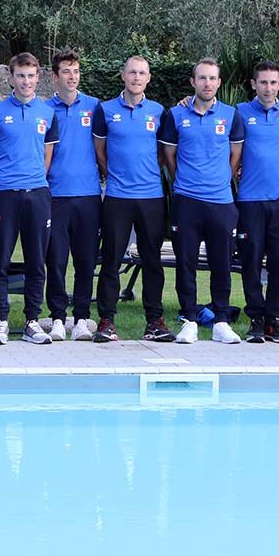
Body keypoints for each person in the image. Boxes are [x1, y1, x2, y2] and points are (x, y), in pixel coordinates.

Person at [158, 58, 245, 344]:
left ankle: (221, 320)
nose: (207, 83)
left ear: (219, 83)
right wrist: (185, 181)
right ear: (193, 82)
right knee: (186, 263)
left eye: (212, 78)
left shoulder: (231, 115)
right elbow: (169, 157)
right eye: (202, 78)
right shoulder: (175, 115)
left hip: (221, 202)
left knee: (222, 264)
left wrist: (220, 179)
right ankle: (189, 320)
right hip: (187, 201)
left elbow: (235, 156)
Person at [0, 52, 60, 345]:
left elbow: (48, 155)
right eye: (20, 75)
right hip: (4, 196)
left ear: (38, 77)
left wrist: (34, 180)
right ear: (11, 78)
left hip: (37, 195)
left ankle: (31, 322)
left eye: (30, 75)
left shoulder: (47, 113)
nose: (26, 81)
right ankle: (0, 320)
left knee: (37, 261)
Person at [92, 56, 173, 343]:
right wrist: (114, 175)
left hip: (151, 198)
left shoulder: (158, 112)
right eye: (132, 72)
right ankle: (106, 321)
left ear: (148, 78)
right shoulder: (105, 110)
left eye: (142, 73)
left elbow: (164, 153)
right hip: (117, 197)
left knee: (152, 262)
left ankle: (154, 322)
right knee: (111, 260)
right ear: (123, 76)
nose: (137, 77)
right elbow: (100, 151)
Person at [234, 60, 279, 344]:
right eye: (263, 82)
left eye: (273, 82)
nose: (268, 88)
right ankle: (256, 319)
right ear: (254, 85)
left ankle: (272, 319)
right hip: (250, 200)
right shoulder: (240, 113)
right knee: (251, 261)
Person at [45, 49, 103, 342]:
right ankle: (57, 317)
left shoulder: (95, 107)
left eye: (76, 71)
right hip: (55, 196)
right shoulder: (43, 109)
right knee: (55, 260)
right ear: (55, 76)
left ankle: (81, 317)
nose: (72, 77)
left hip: (89, 196)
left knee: (85, 260)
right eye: (66, 71)